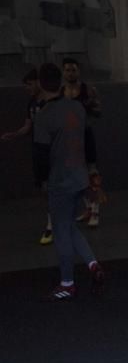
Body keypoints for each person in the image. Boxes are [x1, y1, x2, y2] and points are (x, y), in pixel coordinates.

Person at [34, 62, 105, 300]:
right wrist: (92, 172)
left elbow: (41, 155)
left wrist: (41, 182)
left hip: (59, 182)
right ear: (61, 82)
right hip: (79, 178)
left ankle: (67, 283)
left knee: (61, 231)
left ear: (41, 85)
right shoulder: (77, 108)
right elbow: (89, 140)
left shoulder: (44, 116)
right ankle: (93, 264)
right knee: (70, 225)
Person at [1, 69, 52, 244]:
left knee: (56, 187)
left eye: (29, 84)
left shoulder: (51, 102)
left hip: (53, 150)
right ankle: (52, 222)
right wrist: (14, 134)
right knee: (45, 188)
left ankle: (55, 223)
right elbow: (27, 126)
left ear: (38, 82)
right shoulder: (31, 102)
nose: (27, 88)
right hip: (38, 150)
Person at [61, 57, 106, 227]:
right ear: (63, 72)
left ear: (78, 71)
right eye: (67, 70)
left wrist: (89, 107)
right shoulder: (61, 92)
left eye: (73, 69)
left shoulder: (88, 90)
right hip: (69, 138)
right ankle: (87, 209)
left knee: (92, 173)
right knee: (75, 176)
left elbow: (99, 112)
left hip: (85, 135)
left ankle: (95, 211)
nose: (70, 73)